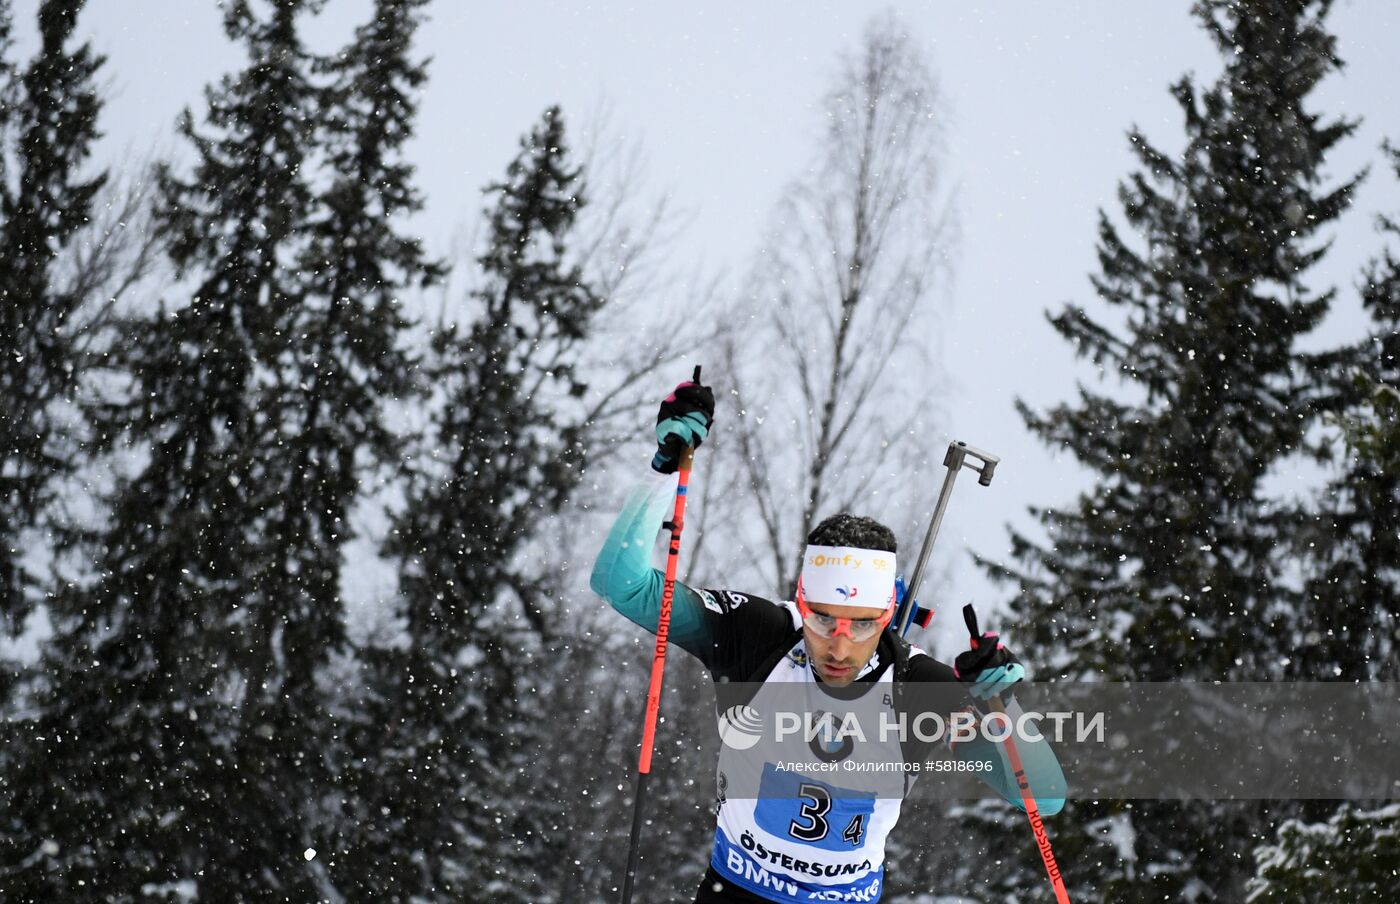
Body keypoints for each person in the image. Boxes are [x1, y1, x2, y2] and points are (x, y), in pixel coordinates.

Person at [591, 378, 1066, 903]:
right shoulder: (759, 635)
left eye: (862, 624)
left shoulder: (916, 686)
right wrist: (666, 465)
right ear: (801, 600)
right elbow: (621, 583)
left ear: (889, 615)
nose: (839, 647)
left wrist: (1002, 705)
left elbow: (1042, 798)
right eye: (822, 620)